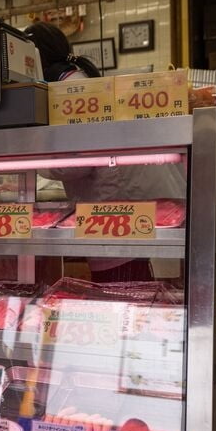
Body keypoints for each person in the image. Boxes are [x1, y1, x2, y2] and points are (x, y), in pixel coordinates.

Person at [26, 21, 186, 282]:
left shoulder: (69, 88)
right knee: (127, 280)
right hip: (116, 198)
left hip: (112, 201)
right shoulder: (72, 80)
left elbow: (76, 163)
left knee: (121, 283)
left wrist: (31, 160)